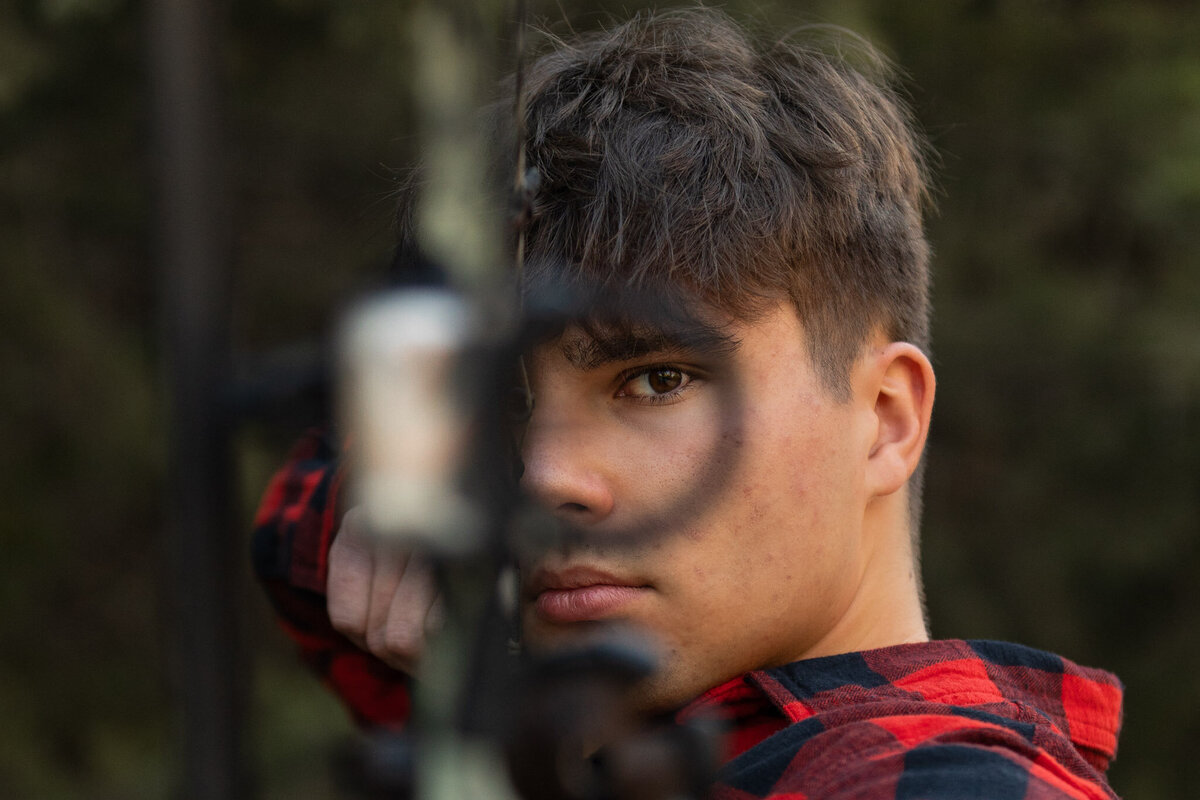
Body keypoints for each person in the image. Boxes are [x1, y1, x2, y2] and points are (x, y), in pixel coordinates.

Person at [253, 8, 1123, 798]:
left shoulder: (936, 783)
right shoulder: (583, 745)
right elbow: (291, 535)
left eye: (656, 379)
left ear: (887, 418)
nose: (547, 476)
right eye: (509, 405)